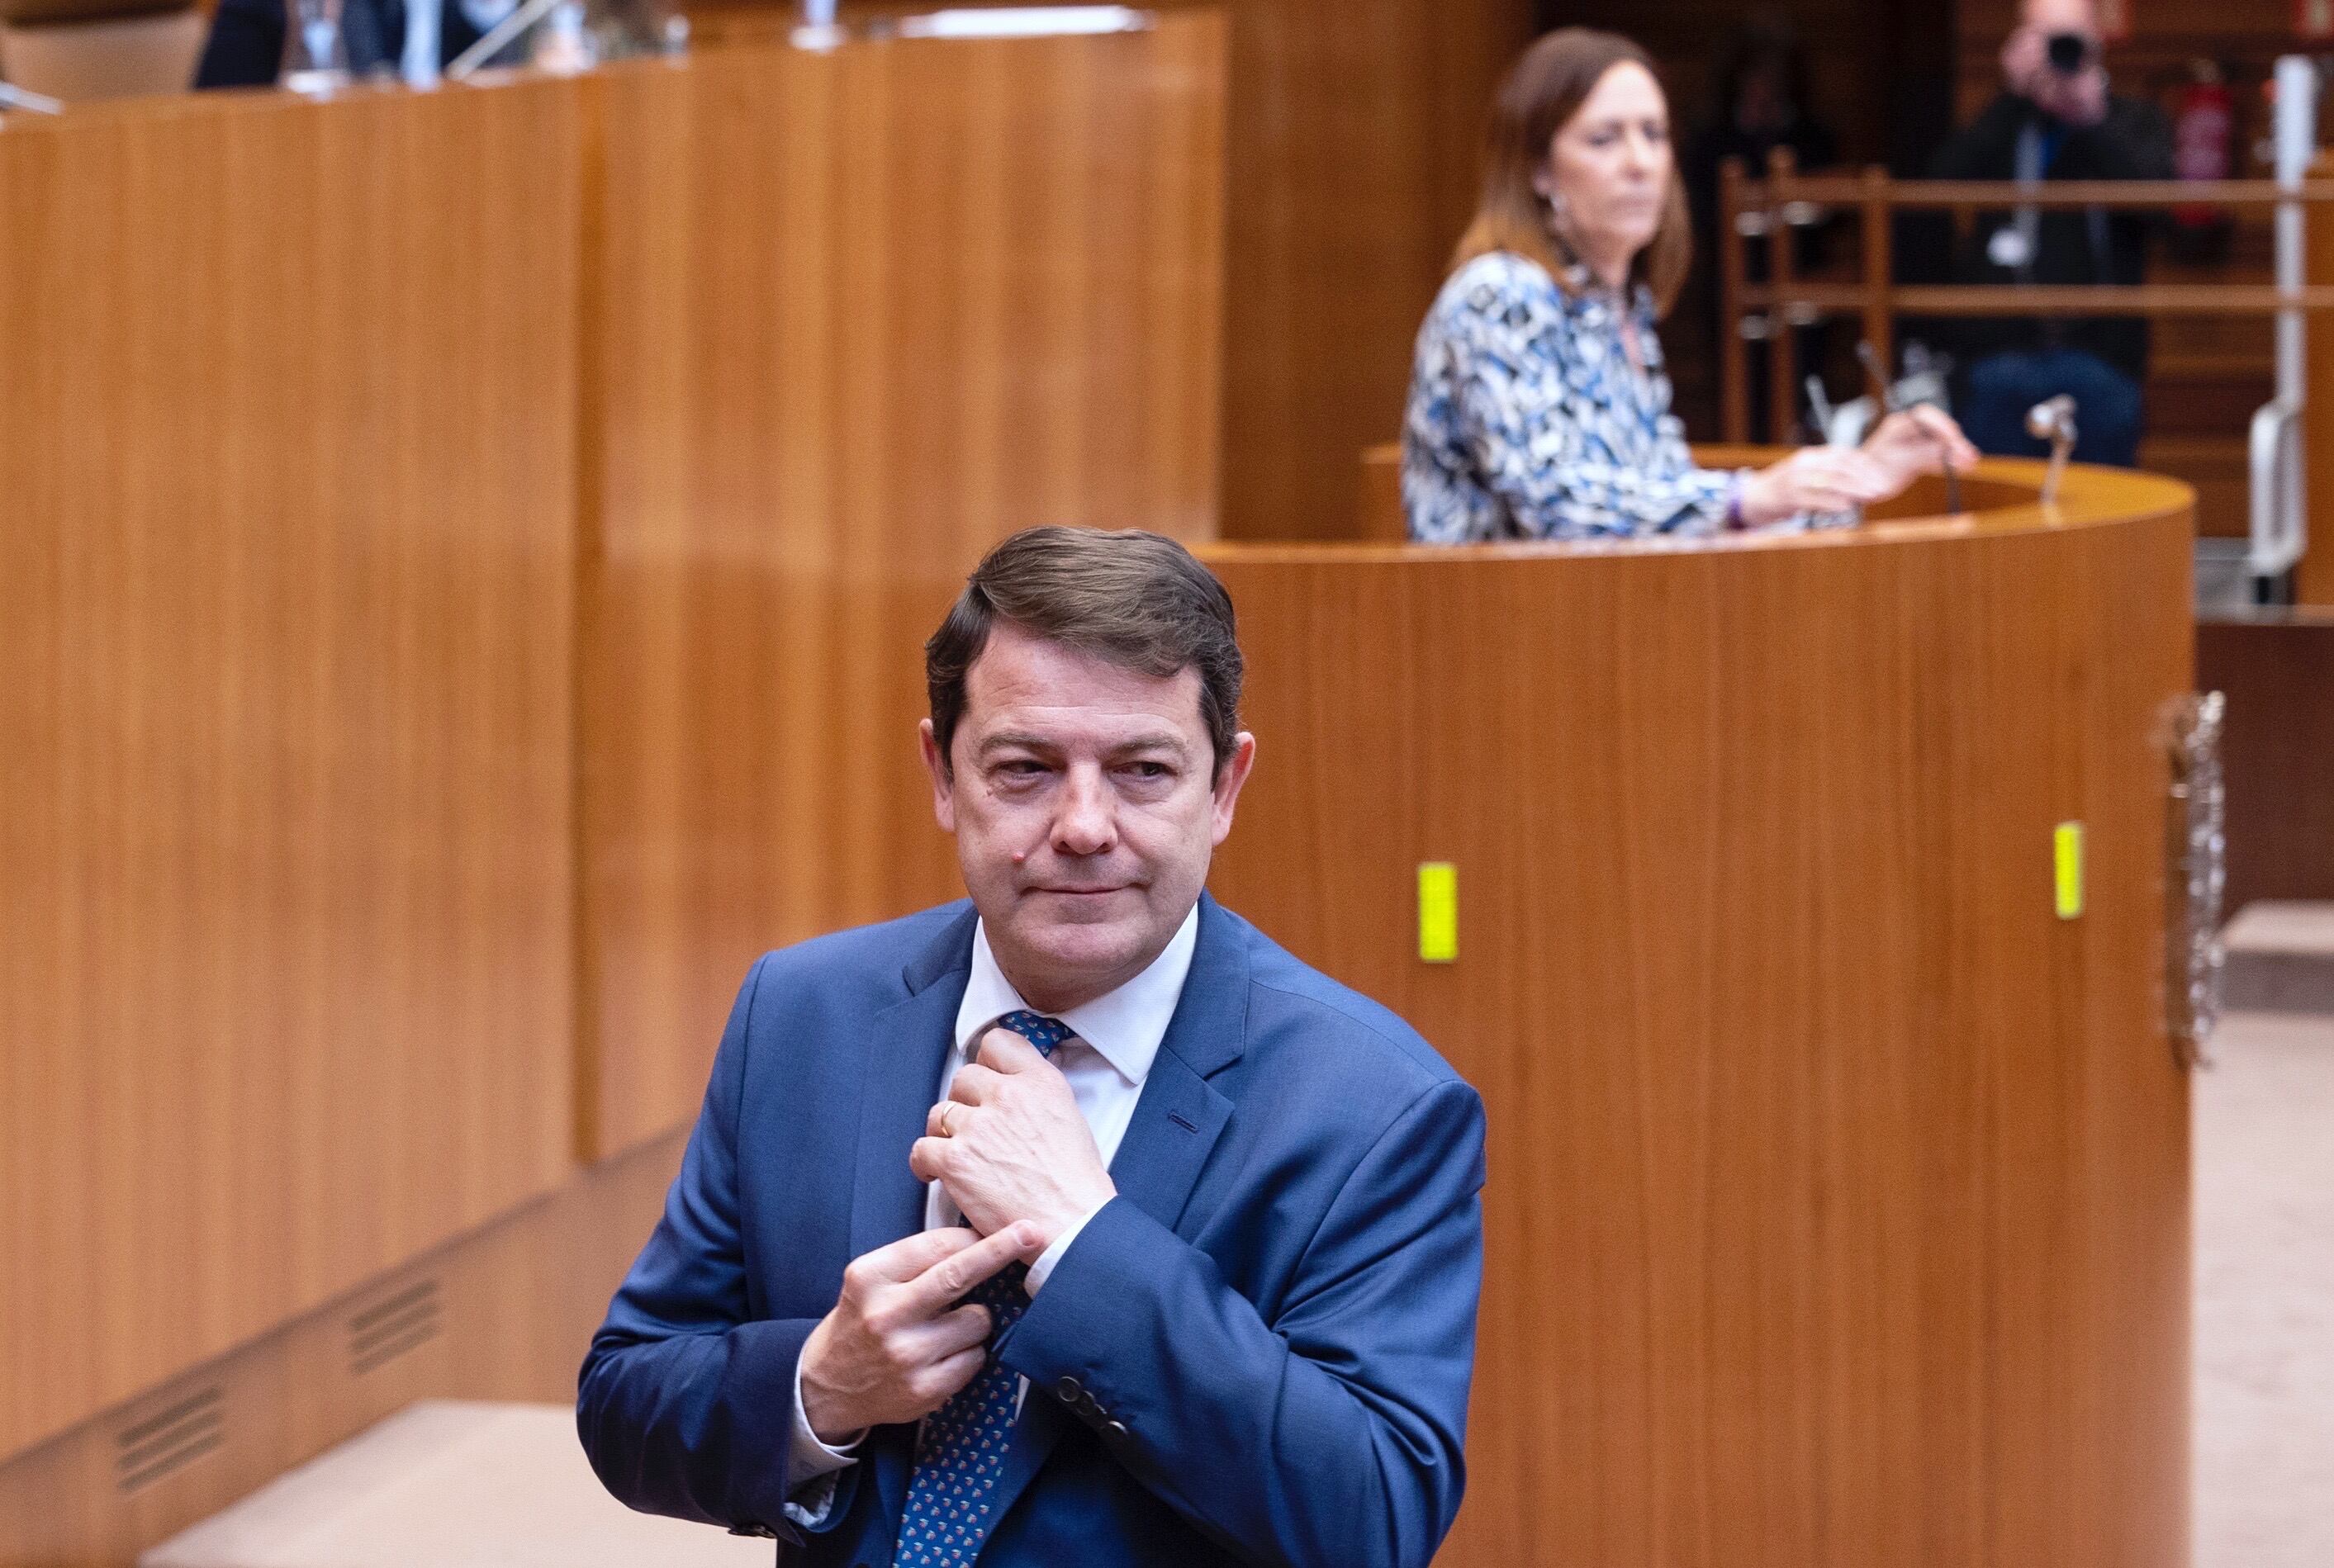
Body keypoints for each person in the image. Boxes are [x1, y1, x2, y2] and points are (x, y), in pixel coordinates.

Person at [576, 527, 1487, 1567]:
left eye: (1144, 769)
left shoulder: (1377, 1106)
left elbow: (1370, 1517)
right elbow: (626, 1405)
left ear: (1224, 788)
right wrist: (822, 1384)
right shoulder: (801, 1014)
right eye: (1025, 767)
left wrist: (1083, 1243)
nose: (1085, 825)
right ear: (943, 774)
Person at [1405, 28, 1976, 545]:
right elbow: (1555, 504)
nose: (1641, 162)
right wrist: (1745, 497)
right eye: (1604, 139)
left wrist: (1857, 478)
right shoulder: (1500, 294)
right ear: (1539, 170)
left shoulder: (1620, 308)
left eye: (1654, 134)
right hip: (1491, 635)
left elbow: (1675, 517)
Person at [1924, 0, 2173, 467]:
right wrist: (2013, 92)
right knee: (2002, 507)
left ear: (2095, 39)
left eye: (2069, 37)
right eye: (2044, 37)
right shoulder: (2007, 123)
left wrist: (2092, 118)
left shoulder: (2130, 120)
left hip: (2101, 355)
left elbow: (2160, 212)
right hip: (1999, 352)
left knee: (2104, 508)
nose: (2058, 52)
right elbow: (1940, 186)